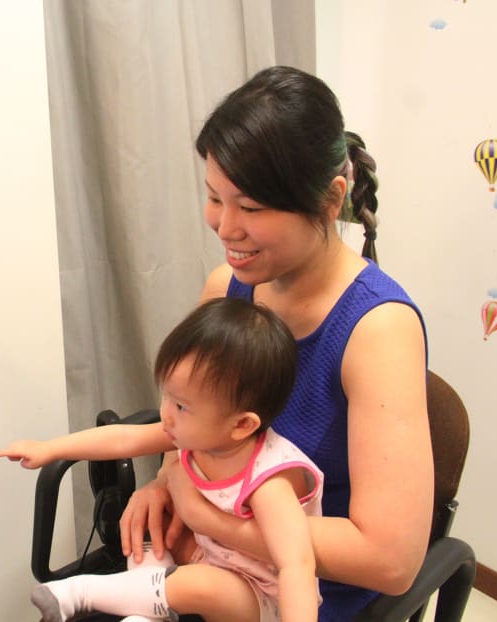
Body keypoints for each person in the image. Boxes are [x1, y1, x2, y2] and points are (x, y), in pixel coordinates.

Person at [118, 66, 433, 621]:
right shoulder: (230, 289)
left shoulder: (377, 332)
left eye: (253, 208)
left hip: (308, 590)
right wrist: (168, 482)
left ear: (332, 199)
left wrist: (210, 516)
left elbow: (390, 562)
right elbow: (192, 418)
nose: (224, 226)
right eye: (215, 198)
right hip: (211, 565)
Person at [0, 296, 324, 622]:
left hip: (261, 599)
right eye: (166, 395)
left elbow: (297, 564)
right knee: (150, 535)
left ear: (241, 425)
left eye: (181, 406)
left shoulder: (269, 480)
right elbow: (123, 437)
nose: (166, 415)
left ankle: (81, 593)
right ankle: (147, 616)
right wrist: (51, 449)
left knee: (201, 585)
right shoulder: (199, 434)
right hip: (210, 557)